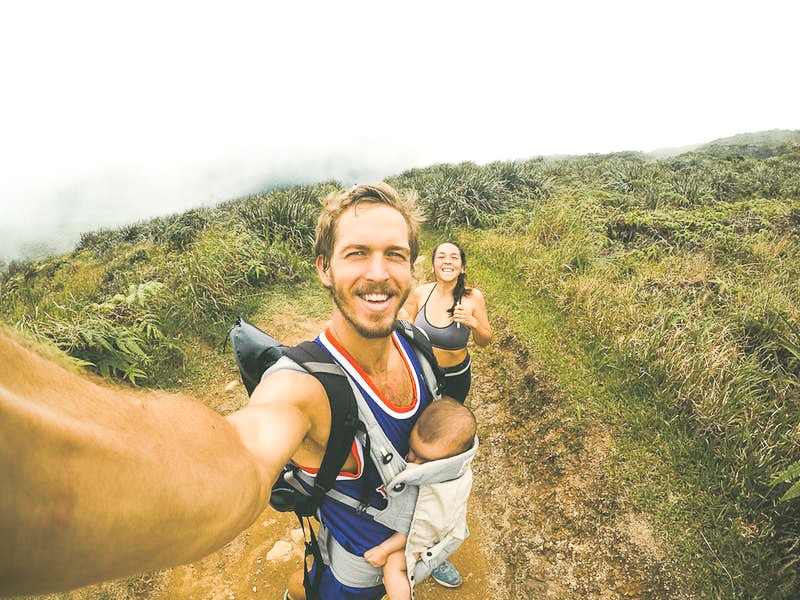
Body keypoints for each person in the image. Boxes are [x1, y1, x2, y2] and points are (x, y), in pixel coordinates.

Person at [0, 182, 437, 600]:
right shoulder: (304, 389)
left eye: (394, 255)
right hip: (355, 577)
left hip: (418, 543)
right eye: (357, 253)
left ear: (412, 268)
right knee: (317, 583)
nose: (379, 273)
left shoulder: (413, 340)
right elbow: (243, 454)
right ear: (324, 267)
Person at [363, 398, 476, 600]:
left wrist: (383, 549)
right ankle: (435, 561)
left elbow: (412, 529)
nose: (412, 460)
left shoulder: (431, 492)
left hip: (433, 534)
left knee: (394, 566)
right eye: (412, 450)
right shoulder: (458, 467)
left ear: (448, 462)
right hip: (449, 527)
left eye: (423, 461)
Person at [404, 241, 492, 405]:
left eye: (454, 257)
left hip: (455, 378)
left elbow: (485, 341)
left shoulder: (473, 297)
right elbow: (408, 328)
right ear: (433, 266)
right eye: (441, 257)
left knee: (446, 424)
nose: (447, 261)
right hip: (422, 372)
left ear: (462, 267)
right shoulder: (420, 293)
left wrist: (473, 323)